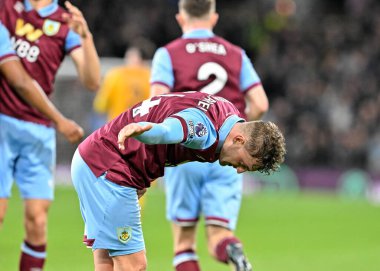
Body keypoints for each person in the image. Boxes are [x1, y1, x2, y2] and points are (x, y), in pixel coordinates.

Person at [71, 91, 286, 271]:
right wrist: (149, 131)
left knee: (106, 261)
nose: (239, 171)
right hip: (109, 167)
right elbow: (171, 130)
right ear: (239, 140)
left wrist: (144, 175)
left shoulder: (228, 112)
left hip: (93, 159)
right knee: (134, 264)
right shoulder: (205, 130)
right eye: (243, 164)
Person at [150, 0, 269, 270]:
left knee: (184, 243)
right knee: (219, 235)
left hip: (187, 152)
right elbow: (260, 103)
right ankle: (234, 252)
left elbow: (156, 103)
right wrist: (237, 135)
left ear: (180, 18)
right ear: (214, 18)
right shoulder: (235, 54)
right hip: (228, 153)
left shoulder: (168, 54)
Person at [0, 0, 100, 270]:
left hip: (38, 134)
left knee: (37, 220)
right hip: (3, 124)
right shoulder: (5, 7)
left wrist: (85, 36)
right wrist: (60, 120)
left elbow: (92, 81)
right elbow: (17, 78)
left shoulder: (64, 22)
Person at [93, 46, 151, 121]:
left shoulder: (115, 75)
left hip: (117, 125)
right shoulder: (151, 76)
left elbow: (101, 105)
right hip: (143, 126)